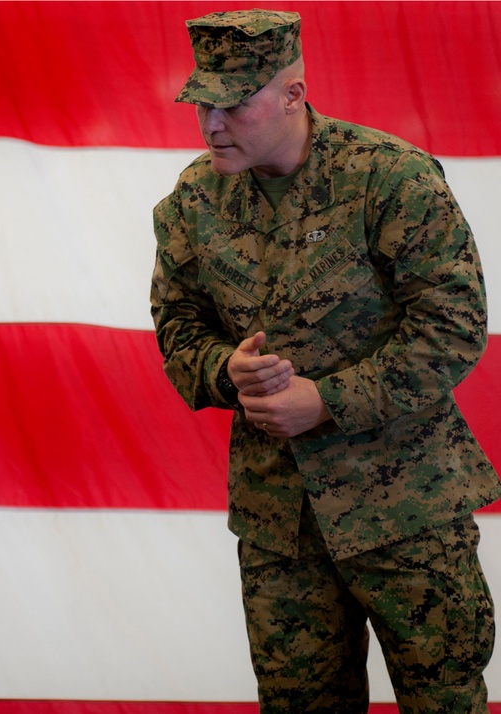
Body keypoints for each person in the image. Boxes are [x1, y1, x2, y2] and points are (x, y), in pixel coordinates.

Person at [150, 9, 500, 713]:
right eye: (203, 105)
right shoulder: (195, 199)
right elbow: (178, 326)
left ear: (293, 94)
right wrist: (225, 370)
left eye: (234, 104)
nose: (212, 124)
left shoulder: (389, 178)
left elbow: (454, 324)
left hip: (406, 506)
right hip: (280, 522)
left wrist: (329, 400)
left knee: (443, 702)